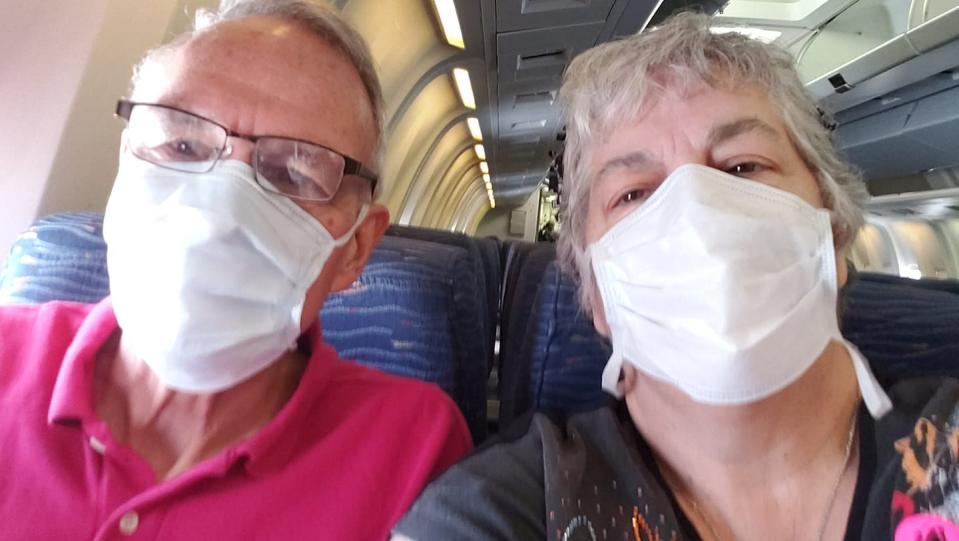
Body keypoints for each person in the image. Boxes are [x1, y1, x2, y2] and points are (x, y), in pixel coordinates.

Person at [392, 12, 959, 541]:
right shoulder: (495, 511)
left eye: (742, 167)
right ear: (598, 296)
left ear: (832, 235)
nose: (696, 216)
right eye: (633, 194)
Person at [0, 2, 471, 539]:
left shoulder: (411, 448)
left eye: (294, 172)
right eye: (181, 144)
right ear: (126, 160)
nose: (215, 218)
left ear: (355, 248)